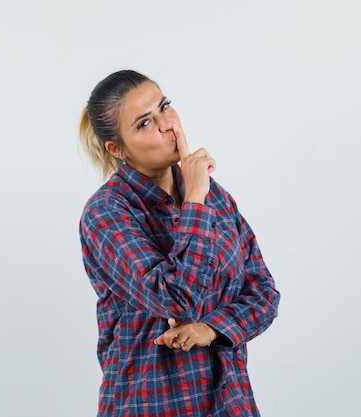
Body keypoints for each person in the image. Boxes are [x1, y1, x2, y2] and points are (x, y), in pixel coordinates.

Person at [78, 69, 280, 417]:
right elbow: (177, 299)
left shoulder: (215, 197)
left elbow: (263, 291)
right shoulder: (106, 212)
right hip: (152, 403)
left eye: (165, 106)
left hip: (229, 402)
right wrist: (196, 197)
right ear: (117, 149)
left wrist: (211, 328)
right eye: (144, 123)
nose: (168, 124)